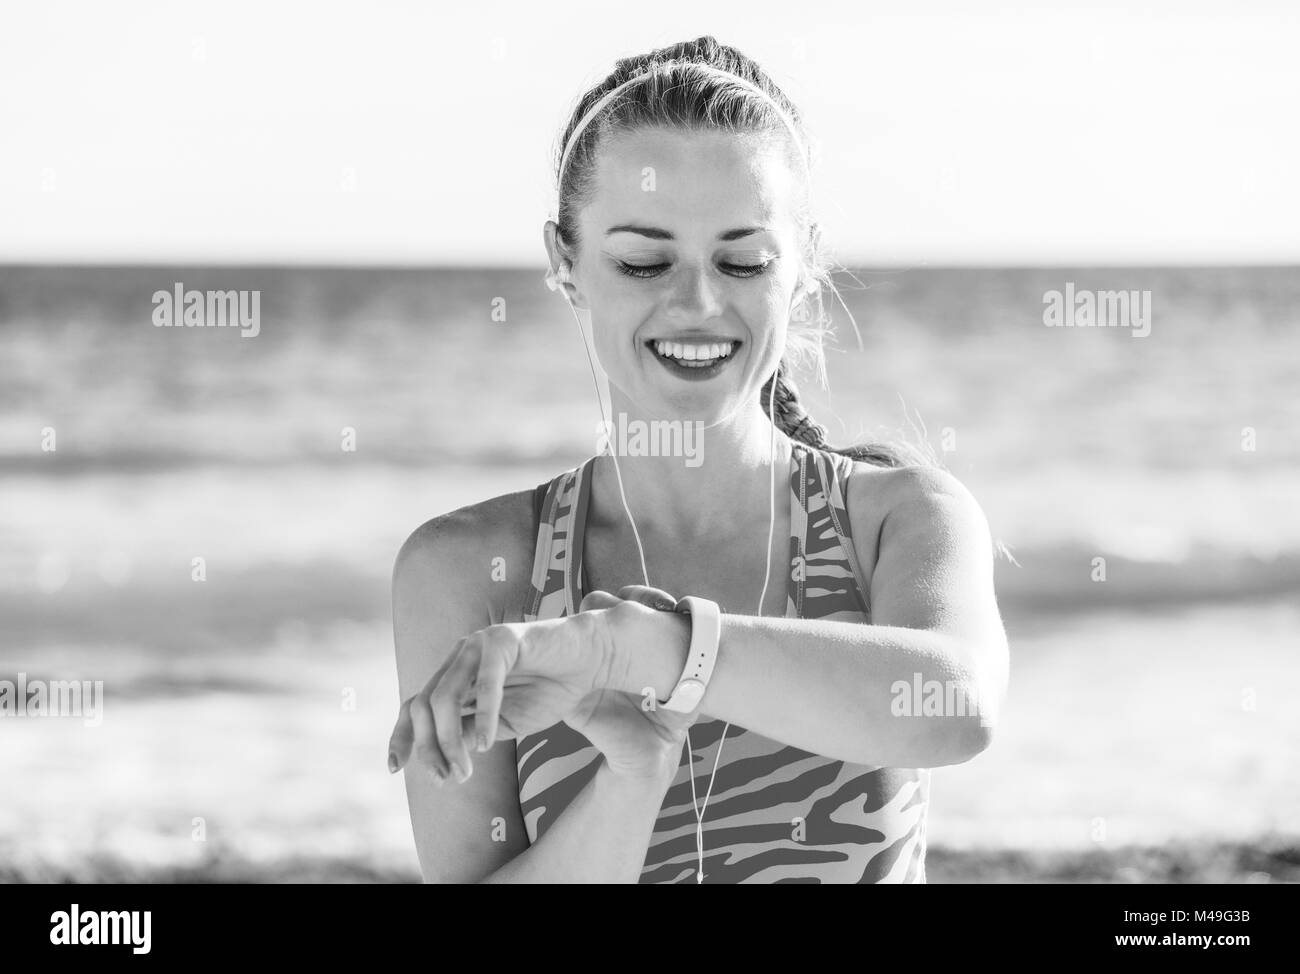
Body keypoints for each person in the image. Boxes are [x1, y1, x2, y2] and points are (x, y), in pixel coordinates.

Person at [388, 35, 1008, 883]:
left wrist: (638, 651)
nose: (698, 303)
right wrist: (631, 777)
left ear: (801, 267)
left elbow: (956, 707)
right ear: (563, 263)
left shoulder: (897, 520)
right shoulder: (469, 570)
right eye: (645, 260)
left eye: (742, 260)